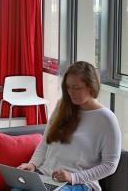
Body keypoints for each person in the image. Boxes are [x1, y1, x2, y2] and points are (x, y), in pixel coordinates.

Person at [13, 61, 121, 191]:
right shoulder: (62, 106)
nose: (71, 92)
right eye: (68, 87)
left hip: (79, 183)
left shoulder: (106, 119)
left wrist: (73, 177)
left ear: (91, 87)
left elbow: (110, 165)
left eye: (76, 88)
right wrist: (32, 164)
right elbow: (45, 141)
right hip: (45, 176)